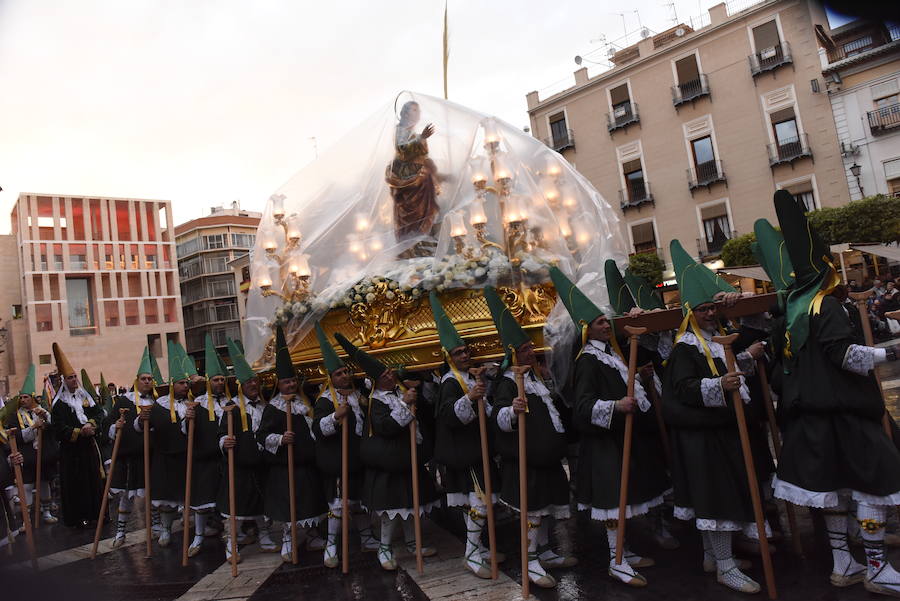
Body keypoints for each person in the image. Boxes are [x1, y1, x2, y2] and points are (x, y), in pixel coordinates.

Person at [771, 190, 900, 597]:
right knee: (875, 486)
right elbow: (844, 356)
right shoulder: (825, 305)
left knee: (836, 492)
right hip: (844, 413)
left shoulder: (794, 310)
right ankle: (876, 567)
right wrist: (892, 352)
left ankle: (844, 563)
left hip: (814, 416)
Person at [550, 266, 671, 587]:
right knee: (613, 503)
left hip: (618, 441)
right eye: (601, 322)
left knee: (624, 498)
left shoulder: (611, 354)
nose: (607, 324)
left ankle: (624, 551)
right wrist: (617, 406)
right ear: (587, 330)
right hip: (604, 444)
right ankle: (616, 561)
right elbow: (584, 407)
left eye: (606, 320)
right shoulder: (588, 361)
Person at [662, 240, 768, 594]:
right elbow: (684, 388)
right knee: (715, 498)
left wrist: (742, 363)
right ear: (690, 313)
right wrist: (719, 384)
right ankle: (725, 566)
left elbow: (731, 373)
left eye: (712, 308)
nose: (710, 314)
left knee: (719, 494)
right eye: (703, 310)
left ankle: (713, 557)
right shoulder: (685, 348)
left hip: (719, 433)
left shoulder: (716, 340)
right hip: (701, 437)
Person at [484, 285, 575, 589]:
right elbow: (497, 417)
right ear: (513, 353)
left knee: (548, 508)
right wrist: (512, 409)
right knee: (533, 512)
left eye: (529, 347)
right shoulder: (509, 382)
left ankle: (546, 551)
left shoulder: (534, 378)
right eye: (524, 349)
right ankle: (531, 558)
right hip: (525, 461)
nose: (530, 352)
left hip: (545, 460)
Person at [335, 331, 440, 571]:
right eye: (384, 375)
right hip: (389, 464)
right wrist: (404, 403)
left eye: (390, 372)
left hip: (408, 459)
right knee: (392, 510)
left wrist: (414, 398)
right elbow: (386, 427)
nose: (390, 376)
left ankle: (414, 542)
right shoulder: (377, 402)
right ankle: (384, 547)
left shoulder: (401, 391)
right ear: (376, 381)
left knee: (412, 507)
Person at [428, 292, 503, 578]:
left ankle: (478, 546)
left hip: (477, 450)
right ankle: (471, 553)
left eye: (466, 350)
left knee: (476, 503)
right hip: (465, 452)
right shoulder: (450, 383)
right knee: (479, 504)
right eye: (459, 352)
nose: (465, 354)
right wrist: (470, 398)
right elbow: (449, 416)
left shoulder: (470, 377)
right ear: (448, 357)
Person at [257, 326, 326, 563]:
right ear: (279, 383)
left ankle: (312, 533)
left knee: (310, 501)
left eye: (293, 381)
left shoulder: (305, 403)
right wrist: (279, 439)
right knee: (289, 505)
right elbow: (261, 435)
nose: (291, 385)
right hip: (285, 466)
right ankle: (288, 538)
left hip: (307, 462)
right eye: (286, 382)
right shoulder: (273, 408)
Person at [311, 323, 377, 568]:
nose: (344, 376)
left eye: (346, 371)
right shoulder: (325, 401)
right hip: (337, 460)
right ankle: (331, 545)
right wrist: (335, 417)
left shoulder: (358, 396)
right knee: (338, 505)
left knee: (358, 501)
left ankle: (367, 536)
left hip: (358, 457)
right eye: (339, 374)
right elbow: (318, 429)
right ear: (330, 378)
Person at [217, 339, 277, 562]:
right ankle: (232, 544)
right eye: (249, 381)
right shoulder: (231, 408)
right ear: (240, 385)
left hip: (261, 463)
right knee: (236, 505)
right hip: (239, 465)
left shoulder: (264, 406)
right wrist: (225, 442)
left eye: (255, 380)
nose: (254, 384)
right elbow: (221, 433)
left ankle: (265, 536)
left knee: (261, 502)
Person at [136, 341, 195, 547]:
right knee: (166, 498)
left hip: (188, 455)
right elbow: (143, 427)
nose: (185, 386)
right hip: (165, 456)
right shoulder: (159, 405)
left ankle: (198, 531)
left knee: (190, 494)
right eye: (181, 383)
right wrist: (141, 419)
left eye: (187, 383)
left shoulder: (194, 403)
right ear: (172, 385)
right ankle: (166, 530)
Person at [103, 349, 154, 547]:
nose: (147, 382)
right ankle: (121, 532)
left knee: (151, 492)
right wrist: (115, 427)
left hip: (148, 455)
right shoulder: (124, 401)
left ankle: (156, 525)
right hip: (127, 456)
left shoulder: (156, 402)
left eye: (150, 378)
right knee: (126, 495)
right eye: (144, 378)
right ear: (137, 380)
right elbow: (107, 424)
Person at [49, 343, 104, 528]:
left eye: (74, 377)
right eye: (70, 378)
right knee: (76, 484)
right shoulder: (59, 405)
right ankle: (78, 516)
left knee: (93, 480)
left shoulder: (86, 398)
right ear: (64, 381)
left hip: (88, 448)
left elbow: (99, 414)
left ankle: (97, 513)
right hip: (71, 452)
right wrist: (79, 432)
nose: (74, 380)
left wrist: (91, 424)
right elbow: (58, 428)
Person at [3, 365, 58, 526]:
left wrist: (45, 418)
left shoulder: (41, 411)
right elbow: (17, 436)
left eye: (26, 397)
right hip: (26, 456)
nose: (23, 400)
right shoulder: (14, 417)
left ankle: (46, 512)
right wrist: (34, 427)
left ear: (32, 398)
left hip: (42, 455)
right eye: (21, 397)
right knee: (26, 486)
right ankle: (26, 519)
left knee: (44, 483)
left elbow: (52, 427)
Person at [385, 100, 441, 257]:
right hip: (407, 180)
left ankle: (424, 242)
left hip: (421, 178)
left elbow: (422, 155)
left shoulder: (413, 132)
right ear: (405, 113)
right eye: (414, 110)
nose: (418, 114)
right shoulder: (401, 129)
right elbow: (402, 149)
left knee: (428, 211)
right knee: (412, 215)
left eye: (419, 110)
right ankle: (412, 247)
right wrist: (421, 137)